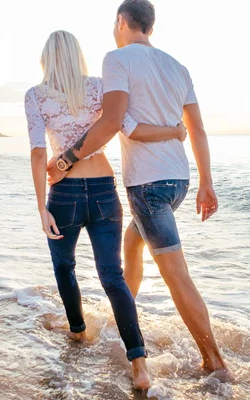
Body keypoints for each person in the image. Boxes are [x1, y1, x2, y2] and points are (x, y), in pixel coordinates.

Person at [46, 0, 230, 375]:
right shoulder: (178, 67)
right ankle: (121, 317)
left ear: (121, 22)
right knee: (133, 243)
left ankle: (214, 361)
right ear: (151, 26)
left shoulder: (118, 58)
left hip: (147, 185)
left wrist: (65, 159)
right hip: (178, 181)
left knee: (175, 274)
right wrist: (206, 184)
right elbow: (196, 129)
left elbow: (113, 121)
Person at [25, 30, 187, 390]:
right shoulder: (99, 88)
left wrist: (41, 208)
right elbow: (128, 128)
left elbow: (38, 153)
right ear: (78, 56)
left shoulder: (36, 96)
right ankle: (140, 367)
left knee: (64, 266)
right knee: (113, 277)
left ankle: (78, 333)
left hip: (64, 194)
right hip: (103, 189)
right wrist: (175, 131)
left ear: (45, 59)